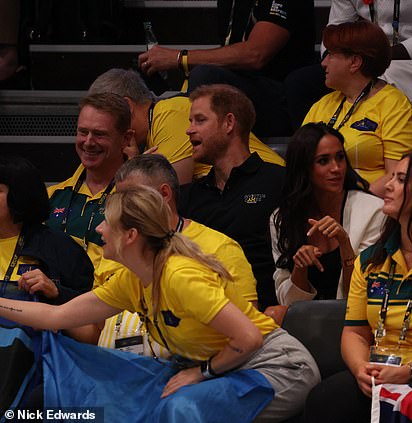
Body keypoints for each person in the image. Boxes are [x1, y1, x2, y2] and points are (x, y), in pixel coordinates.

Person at [0, 186, 320, 421]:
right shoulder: (132, 279)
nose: (98, 229)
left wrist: (202, 373)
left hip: (275, 367)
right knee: (109, 394)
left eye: (106, 222)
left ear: (130, 235)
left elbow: (248, 338)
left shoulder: (180, 276)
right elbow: (57, 317)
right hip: (224, 368)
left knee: (180, 409)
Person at [303, 152, 412, 423]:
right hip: (380, 370)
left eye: (400, 180)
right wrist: (361, 368)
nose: (387, 185)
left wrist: (411, 371)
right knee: (325, 400)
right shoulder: (371, 260)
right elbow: (355, 333)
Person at [73, 154, 260, 353]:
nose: (121, 207)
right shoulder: (116, 248)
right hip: (116, 369)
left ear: (163, 194)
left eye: (131, 198)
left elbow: (245, 334)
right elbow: (94, 332)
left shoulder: (219, 248)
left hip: (183, 371)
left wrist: (202, 372)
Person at [138, 0, 314, 137]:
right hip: (244, 89)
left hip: (285, 100)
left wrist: (180, 58)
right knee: (152, 104)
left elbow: (255, 54)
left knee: (205, 75)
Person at [179, 84, 285, 310]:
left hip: (265, 316)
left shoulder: (279, 181)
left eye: (199, 120)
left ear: (228, 123)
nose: (189, 130)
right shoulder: (188, 195)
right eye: (190, 121)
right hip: (201, 315)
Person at [0, 156, 93, 409]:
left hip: (37, 375)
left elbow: (92, 331)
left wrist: (56, 293)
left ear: (19, 196)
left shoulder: (61, 250)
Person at [88, 69, 285, 183]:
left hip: (267, 186)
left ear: (127, 106)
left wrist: (134, 167)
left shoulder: (168, 112)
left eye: (104, 119)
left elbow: (172, 191)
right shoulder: (152, 132)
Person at [285, 0, 412, 126]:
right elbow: (335, 28)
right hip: (363, 61)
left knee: (384, 74)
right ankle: (312, 154)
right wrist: (331, 58)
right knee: (299, 82)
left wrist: (383, 56)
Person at [270, 123, 385, 306]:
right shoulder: (283, 218)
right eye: (323, 161)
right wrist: (300, 268)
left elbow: (365, 294)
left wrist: (345, 244)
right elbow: (288, 302)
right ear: (303, 168)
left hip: (357, 318)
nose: (336, 168)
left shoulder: (372, 210)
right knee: (275, 313)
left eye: (340, 158)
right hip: (307, 322)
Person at [303, 21, 412, 197]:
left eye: (331, 55)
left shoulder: (395, 105)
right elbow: (299, 162)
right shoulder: (323, 104)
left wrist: (350, 203)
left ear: (355, 62)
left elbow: (397, 175)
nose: (323, 63)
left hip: (371, 208)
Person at [46, 92, 134, 268]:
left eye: (99, 134)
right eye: (83, 132)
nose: (88, 142)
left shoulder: (136, 200)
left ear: (126, 139)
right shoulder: (52, 196)